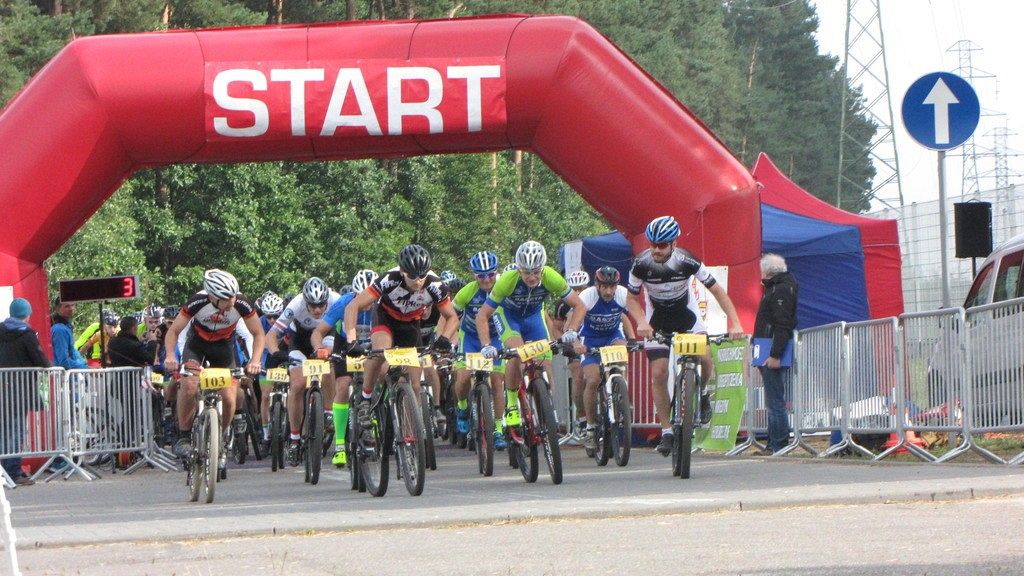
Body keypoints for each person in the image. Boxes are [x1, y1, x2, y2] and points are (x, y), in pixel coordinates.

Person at [628, 216, 744, 456]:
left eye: (662, 245)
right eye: (652, 244)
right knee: (659, 373)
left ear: (674, 243)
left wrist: (735, 322)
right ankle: (666, 431)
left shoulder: (687, 260)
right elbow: (631, 299)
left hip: (687, 316)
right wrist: (641, 322)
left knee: (705, 358)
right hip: (656, 320)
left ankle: (703, 392)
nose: (656, 250)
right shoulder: (640, 263)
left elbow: (717, 291)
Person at [343, 245, 458, 432]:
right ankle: (365, 399)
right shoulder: (389, 279)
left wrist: (444, 338)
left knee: (414, 384)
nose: (418, 281)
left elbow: (451, 316)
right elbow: (353, 306)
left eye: (422, 275)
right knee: (380, 353)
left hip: (411, 324)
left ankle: (411, 434)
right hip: (385, 319)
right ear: (403, 272)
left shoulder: (435, 285)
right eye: (413, 276)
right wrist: (351, 339)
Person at [477, 241, 587, 431]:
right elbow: (482, 315)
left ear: (542, 269)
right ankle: (512, 403)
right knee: (517, 353)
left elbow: (579, 305)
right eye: (527, 272)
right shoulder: (507, 280)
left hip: (533, 318)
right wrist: (486, 344)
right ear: (519, 270)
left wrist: (572, 330)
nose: (532, 277)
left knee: (546, 362)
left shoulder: (551, 277)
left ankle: (547, 405)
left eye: (536, 272)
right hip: (509, 317)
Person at [164, 269, 265, 470]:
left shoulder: (242, 303)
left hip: (224, 348)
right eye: (226, 299)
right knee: (189, 383)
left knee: (229, 397)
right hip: (196, 346)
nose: (231, 302)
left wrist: (255, 360)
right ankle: (184, 436)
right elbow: (174, 331)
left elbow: (258, 334)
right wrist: (170, 356)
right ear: (212, 297)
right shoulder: (198, 302)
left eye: (233, 296)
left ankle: (221, 436)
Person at [563, 266, 643, 450]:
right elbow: (571, 323)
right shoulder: (587, 296)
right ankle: (590, 426)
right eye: (605, 287)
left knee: (621, 356)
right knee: (592, 380)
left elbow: (624, 318)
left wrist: (632, 339)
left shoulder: (622, 294)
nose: (608, 291)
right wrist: (575, 342)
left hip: (612, 336)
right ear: (597, 285)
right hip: (589, 339)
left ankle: (620, 393)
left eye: (612, 287)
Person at [265, 276, 340, 466]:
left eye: (321, 305)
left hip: (326, 335)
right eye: (312, 305)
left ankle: (328, 412)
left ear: (327, 300)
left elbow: (349, 321)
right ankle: (295, 439)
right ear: (305, 301)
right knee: (298, 385)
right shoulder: (296, 304)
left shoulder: (335, 299)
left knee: (328, 362)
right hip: (299, 341)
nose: (317, 310)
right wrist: (276, 353)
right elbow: (272, 334)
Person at [311, 269, 377, 467]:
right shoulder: (343, 303)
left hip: (373, 343)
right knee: (342, 384)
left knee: (382, 373)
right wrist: (319, 349)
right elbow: (318, 332)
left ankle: (380, 418)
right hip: (345, 344)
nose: (366, 303)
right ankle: (340, 445)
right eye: (360, 297)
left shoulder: (383, 302)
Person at [451, 251, 508, 451]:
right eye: (481, 275)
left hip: (496, 338)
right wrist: (445, 338)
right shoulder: (467, 292)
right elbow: (449, 316)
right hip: (471, 338)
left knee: (497, 381)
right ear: (474, 275)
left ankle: (498, 429)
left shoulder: (504, 288)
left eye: (491, 274)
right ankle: (462, 407)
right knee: (463, 378)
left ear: (496, 273)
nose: (486, 279)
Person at [0, 298, 50, 486]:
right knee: (17, 431)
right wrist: (50, 366)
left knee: (4, 431)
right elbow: (40, 360)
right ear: (27, 314)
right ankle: (13, 472)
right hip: (20, 390)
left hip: (2, 389)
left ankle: (3, 472)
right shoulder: (27, 334)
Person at [753, 253, 798, 454]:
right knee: (773, 400)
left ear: (767, 271)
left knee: (775, 401)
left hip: (770, 349)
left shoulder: (779, 290)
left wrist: (775, 355)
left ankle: (778, 444)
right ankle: (773, 444)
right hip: (768, 347)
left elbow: (782, 324)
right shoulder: (780, 288)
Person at [107, 315, 159, 451]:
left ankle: (127, 442)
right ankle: (127, 443)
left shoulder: (113, 342)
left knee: (130, 413)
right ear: (134, 328)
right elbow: (149, 359)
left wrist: (140, 341)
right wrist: (152, 342)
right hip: (128, 385)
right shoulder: (133, 345)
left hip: (116, 384)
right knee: (132, 414)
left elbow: (129, 349)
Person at [550, 269, 590, 435]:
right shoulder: (563, 304)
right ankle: (582, 417)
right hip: (573, 342)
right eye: (575, 289)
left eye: (582, 288)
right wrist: (563, 343)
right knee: (578, 376)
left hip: (591, 339)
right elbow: (556, 327)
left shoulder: (593, 298)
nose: (578, 292)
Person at [50, 297, 88, 370]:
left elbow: (72, 352)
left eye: (72, 305)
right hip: (64, 374)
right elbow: (63, 361)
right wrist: (85, 368)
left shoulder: (66, 326)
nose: (71, 308)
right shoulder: (60, 329)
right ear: (57, 309)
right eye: (67, 306)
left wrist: (83, 363)